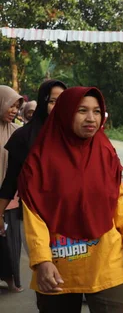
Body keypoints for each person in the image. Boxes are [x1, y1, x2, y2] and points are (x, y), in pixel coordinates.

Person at [17, 87, 123, 312]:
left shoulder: (105, 153)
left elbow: (116, 203)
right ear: (66, 113)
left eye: (97, 111)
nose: (91, 118)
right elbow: (34, 214)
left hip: (106, 263)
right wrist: (42, 261)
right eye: (82, 110)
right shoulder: (40, 161)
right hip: (58, 264)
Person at [0, 80, 67, 259]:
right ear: (43, 102)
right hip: (34, 216)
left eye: (63, 101)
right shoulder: (24, 137)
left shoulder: (74, 135)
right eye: (53, 101)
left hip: (69, 216)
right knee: (44, 271)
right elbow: (11, 179)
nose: (58, 106)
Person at [0, 85, 23, 293]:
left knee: (12, 242)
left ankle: (12, 280)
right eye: (10, 105)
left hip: (12, 196)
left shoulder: (18, 132)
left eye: (17, 107)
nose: (14, 110)